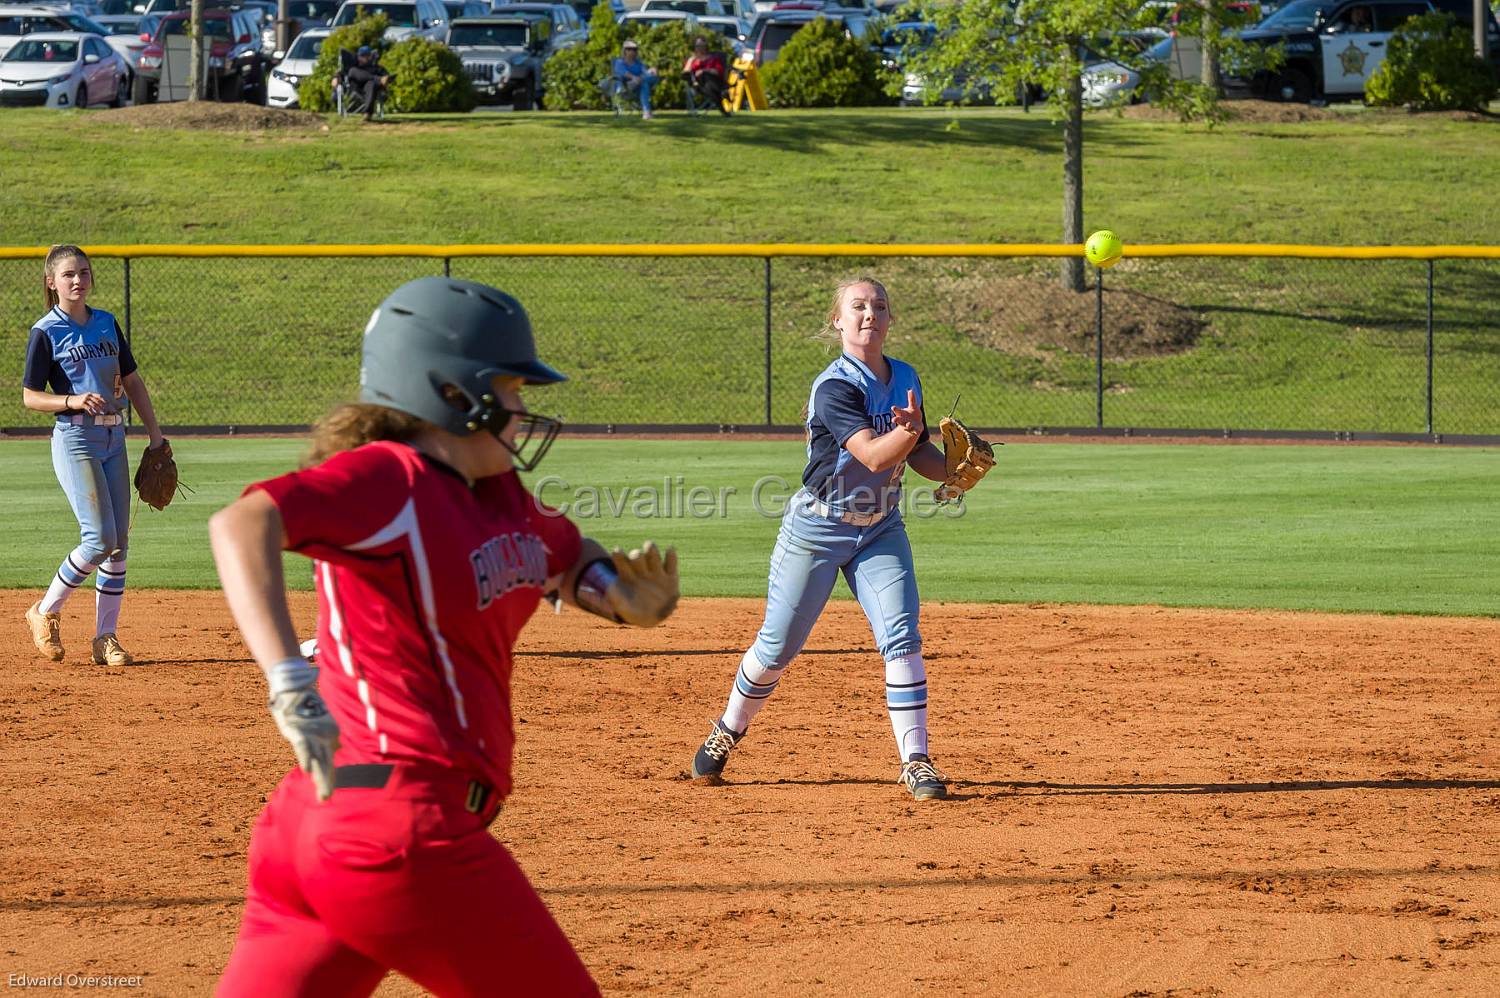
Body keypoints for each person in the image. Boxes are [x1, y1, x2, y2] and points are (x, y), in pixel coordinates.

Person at [210, 277, 679, 996]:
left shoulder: (499, 497)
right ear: (456, 395)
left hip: (319, 827)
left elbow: (565, 550)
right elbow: (242, 524)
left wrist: (619, 598)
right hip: (403, 832)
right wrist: (287, 680)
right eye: (513, 389)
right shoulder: (386, 479)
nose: (524, 410)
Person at [690, 276, 989, 802]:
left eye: (879, 306)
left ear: (890, 320)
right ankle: (728, 729)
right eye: (858, 306)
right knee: (776, 648)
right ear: (838, 321)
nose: (869, 314)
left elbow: (912, 452)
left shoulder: (907, 376)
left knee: (901, 636)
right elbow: (874, 453)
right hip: (817, 528)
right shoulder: (835, 386)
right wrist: (911, 431)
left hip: (881, 527)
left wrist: (947, 469)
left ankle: (916, 761)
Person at [21, 244, 167, 668]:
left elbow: (133, 380)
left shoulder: (106, 323)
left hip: (114, 439)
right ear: (52, 282)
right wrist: (69, 400)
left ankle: (105, 639)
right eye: (68, 274)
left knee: (119, 545)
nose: (77, 280)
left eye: (83, 272)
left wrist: (155, 435)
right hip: (75, 439)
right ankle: (45, 611)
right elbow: (30, 397)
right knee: (99, 539)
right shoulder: (45, 331)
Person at [682, 36, 728, 115]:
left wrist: (704, 71)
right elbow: (685, 73)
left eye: (702, 46)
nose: (700, 48)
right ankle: (720, 105)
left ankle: (719, 103)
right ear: (695, 47)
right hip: (698, 85)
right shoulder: (692, 59)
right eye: (698, 46)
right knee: (706, 81)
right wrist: (690, 61)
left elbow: (718, 71)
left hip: (714, 82)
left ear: (706, 46)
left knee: (707, 76)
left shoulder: (714, 58)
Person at [612, 39, 657, 119]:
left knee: (645, 83)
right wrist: (635, 77)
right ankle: (646, 111)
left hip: (639, 85)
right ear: (624, 51)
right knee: (645, 80)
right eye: (629, 49)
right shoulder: (619, 62)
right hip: (625, 86)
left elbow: (645, 72)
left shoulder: (638, 62)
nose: (632, 51)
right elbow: (625, 73)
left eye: (634, 49)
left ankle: (646, 112)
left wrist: (651, 71)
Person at [345, 45, 390, 121]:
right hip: (358, 90)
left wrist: (387, 79)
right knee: (354, 71)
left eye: (366, 56)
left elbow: (387, 77)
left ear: (370, 56)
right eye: (361, 56)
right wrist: (335, 77)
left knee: (371, 84)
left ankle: (367, 113)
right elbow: (342, 73)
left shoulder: (376, 67)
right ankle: (368, 112)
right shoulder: (354, 67)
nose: (363, 58)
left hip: (373, 91)